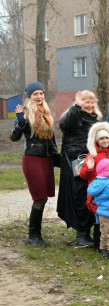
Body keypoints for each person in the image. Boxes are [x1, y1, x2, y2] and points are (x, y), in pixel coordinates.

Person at [10, 81, 59, 246]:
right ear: (29, 96)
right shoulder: (25, 112)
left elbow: (51, 140)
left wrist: (57, 156)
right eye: (35, 94)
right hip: (32, 158)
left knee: (44, 198)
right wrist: (20, 124)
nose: (39, 96)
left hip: (46, 159)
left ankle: (36, 234)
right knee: (39, 197)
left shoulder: (46, 113)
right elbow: (14, 137)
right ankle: (33, 236)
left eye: (41, 93)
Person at [57, 91, 101, 247]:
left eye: (91, 102)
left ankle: (86, 234)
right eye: (85, 102)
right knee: (79, 197)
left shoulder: (95, 119)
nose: (88, 105)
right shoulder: (73, 115)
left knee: (90, 195)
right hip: (74, 162)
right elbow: (64, 125)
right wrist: (76, 106)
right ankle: (80, 235)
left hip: (90, 162)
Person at [79, 121, 109, 252]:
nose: (104, 141)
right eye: (101, 138)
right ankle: (99, 246)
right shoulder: (92, 154)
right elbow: (83, 175)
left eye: (106, 138)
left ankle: (107, 246)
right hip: (98, 193)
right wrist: (89, 169)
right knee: (99, 219)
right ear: (96, 140)